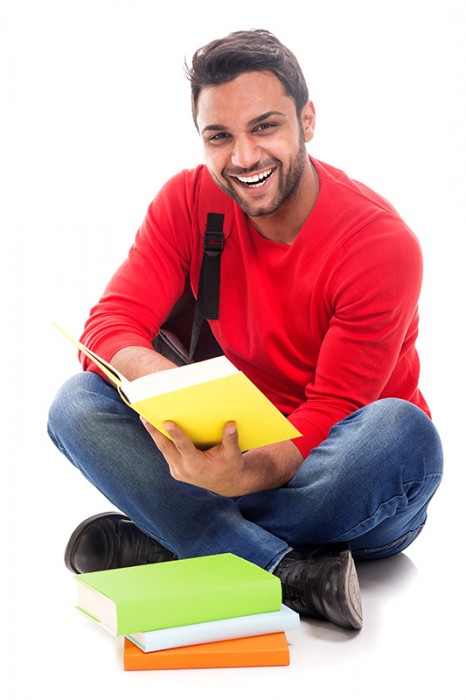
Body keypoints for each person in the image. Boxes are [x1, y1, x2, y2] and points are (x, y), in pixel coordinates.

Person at [47, 29, 443, 631]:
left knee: (403, 433)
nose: (245, 157)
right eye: (220, 137)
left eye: (265, 127)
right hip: (222, 452)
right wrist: (177, 397)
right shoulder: (187, 201)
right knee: (76, 404)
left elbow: (333, 410)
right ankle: (283, 569)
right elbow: (109, 325)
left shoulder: (379, 245)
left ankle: (179, 538)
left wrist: (241, 477)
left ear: (307, 120)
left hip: (337, 470)